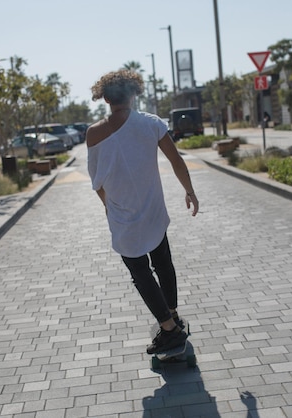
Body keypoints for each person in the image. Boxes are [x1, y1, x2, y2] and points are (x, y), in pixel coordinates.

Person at [86, 69, 199, 354]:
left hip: (123, 216)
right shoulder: (151, 123)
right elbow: (176, 161)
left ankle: (169, 329)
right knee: (163, 263)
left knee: (140, 272)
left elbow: (97, 181)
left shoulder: (93, 134)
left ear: (106, 98)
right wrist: (190, 191)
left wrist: (108, 209)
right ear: (134, 93)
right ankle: (172, 315)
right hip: (153, 210)